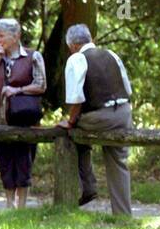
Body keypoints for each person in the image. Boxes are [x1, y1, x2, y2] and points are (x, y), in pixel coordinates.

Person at [57, 24, 134, 216]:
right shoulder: (111, 54)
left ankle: (88, 185)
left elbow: (76, 99)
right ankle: (123, 215)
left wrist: (71, 121)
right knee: (118, 161)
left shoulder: (76, 59)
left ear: (72, 45)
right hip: (124, 113)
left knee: (74, 134)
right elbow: (128, 89)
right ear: (91, 39)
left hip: (99, 116)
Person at [0, 18, 47, 209]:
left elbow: (41, 85)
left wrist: (18, 90)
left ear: (16, 36)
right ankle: (9, 204)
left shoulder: (33, 56)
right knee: (4, 160)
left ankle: (22, 205)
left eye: (2, 36)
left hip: (25, 118)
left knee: (24, 160)